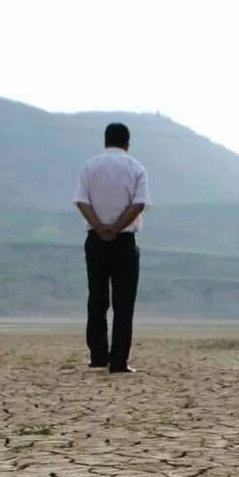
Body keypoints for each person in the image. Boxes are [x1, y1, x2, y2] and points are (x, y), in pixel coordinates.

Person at [75, 122, 147, 373]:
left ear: (105, 141)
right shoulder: (136, 168)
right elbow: (139, 204)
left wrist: (100, 227)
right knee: (123, 303)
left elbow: (81, 202)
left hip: (96, 241)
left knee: (97, 299)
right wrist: (117, 228)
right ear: (127, 143)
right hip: (125, 241)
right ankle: (118, 361)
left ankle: (98, 355)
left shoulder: (90, 166)